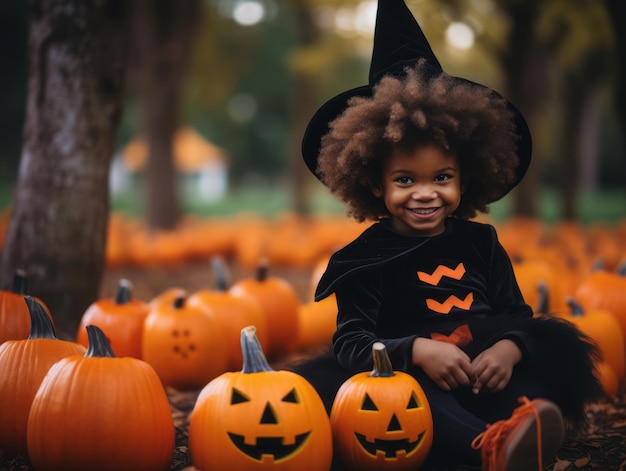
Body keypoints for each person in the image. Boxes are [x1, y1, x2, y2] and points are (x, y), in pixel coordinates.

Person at [292, 1, 603, 470]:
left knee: (540, 372)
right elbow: (352, 341)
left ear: (466, 177)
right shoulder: (365, 259)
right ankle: (490, 448)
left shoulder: (481, 243)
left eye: (442, 178)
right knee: (411, 402)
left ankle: (521, 426)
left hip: (487, 372)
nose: (425, 194)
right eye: (404, 180)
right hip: (415, 381)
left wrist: (509, 346)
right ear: (375, 183)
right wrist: (415, 350)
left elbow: (515, 312)